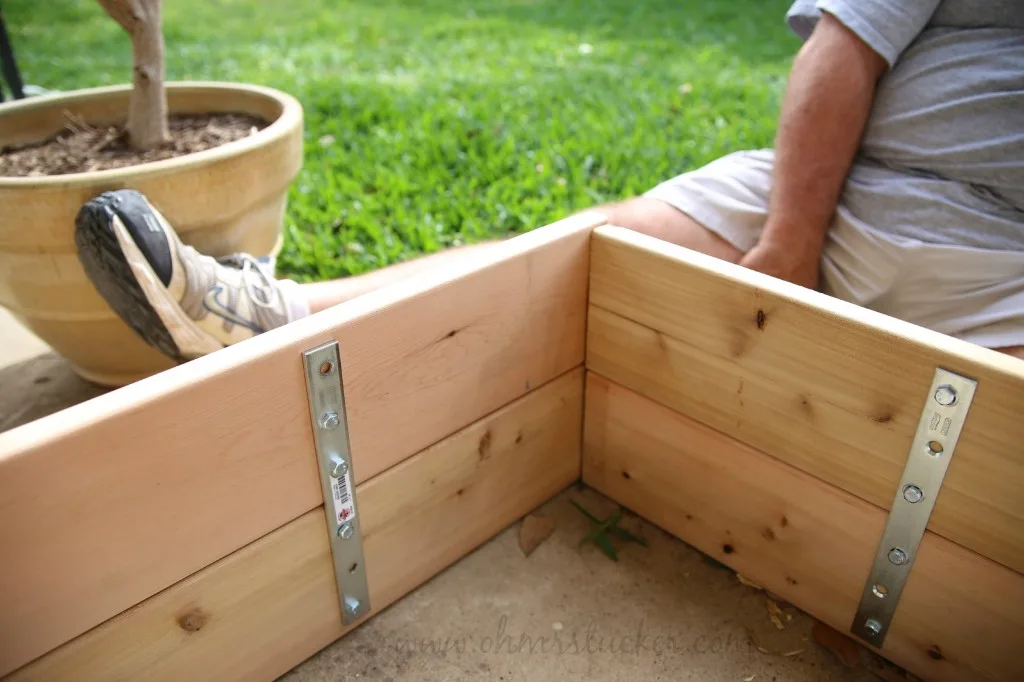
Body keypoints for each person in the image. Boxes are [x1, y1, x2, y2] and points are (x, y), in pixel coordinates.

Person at [75, 0, 1024, 365]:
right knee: (578, 251)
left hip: (1007, 263)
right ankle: (278, 310)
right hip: (827, 190)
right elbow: (846, 44)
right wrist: (791, 244)